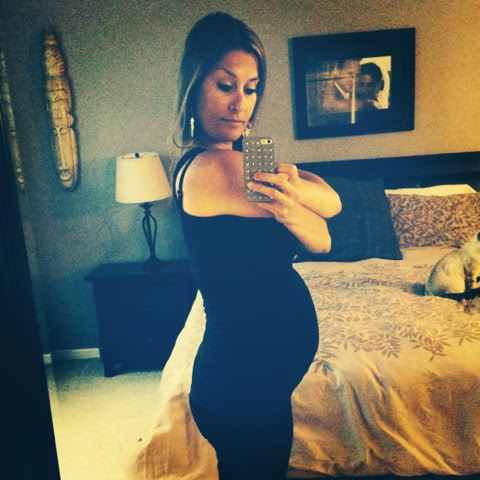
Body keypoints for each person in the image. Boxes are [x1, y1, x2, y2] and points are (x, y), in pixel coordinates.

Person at [171, 12, 341, 480]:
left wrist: (289, 206)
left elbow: (324, 236)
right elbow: (328, 204)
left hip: (257, 384)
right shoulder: (210, 167)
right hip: (240, 385)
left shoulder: (245, 161)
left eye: (250, 89)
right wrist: (294, 195)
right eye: (225, 86)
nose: (239, 104)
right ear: (194, 85)